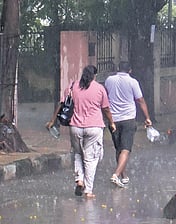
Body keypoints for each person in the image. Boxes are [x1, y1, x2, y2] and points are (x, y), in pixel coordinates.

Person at [46, 65, 116, 198]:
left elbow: (62, 104)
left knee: (78, 154)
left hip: (76, 127)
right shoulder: (99, 88)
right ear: (95, 75)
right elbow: (106, 109)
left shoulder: (73, 86)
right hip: (94, 128)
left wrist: (52, 121)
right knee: (91, 159)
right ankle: (88, 190)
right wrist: (111, 122)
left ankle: (79, 180)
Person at [104, 61, 152, 188]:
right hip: (128, 119)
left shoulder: (109, 80)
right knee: (126, 149)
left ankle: (123, 176)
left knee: (119, 148)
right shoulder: (133, 82)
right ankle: (115, 175)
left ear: (118, 69)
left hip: (113, 119)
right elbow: (140, 100)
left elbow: (106, 95)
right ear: (130, 70)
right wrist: (147, 117)